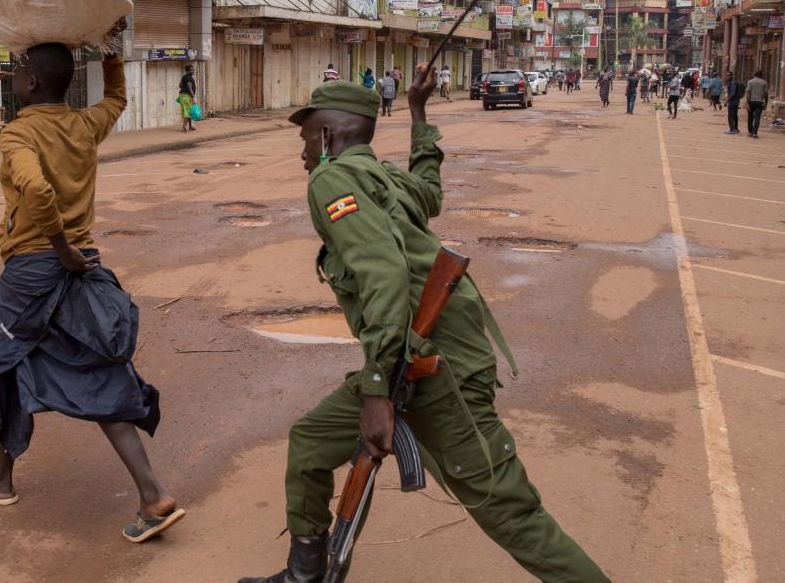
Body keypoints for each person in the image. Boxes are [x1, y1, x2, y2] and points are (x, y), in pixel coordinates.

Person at [238, 68, 609, 583]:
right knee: (310, 443)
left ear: (326, 135)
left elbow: (383, 273)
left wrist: (375, 392)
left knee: (508, 513)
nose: (300, 147)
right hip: (406, 359)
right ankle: (307, 575)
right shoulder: (381, 176)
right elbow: (430, 191)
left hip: (436, 370)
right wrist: (417, 113)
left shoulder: (331, 177)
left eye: (304, 133)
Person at [0, 38, 185, 543]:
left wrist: (58, 246)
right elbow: (117, 100)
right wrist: (111, 56)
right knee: (102, 369)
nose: (12, 78)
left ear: (32, 82)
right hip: (81, 265)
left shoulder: (17, 133)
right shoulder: (84, 124)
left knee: (3, 363)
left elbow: (36, 190)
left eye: (16, 71)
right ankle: (152, 495)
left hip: (36, 269)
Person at [745, 70, 769, 139]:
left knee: (750, 117)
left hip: (751, 101)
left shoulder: (750, 82)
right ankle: (755, 133)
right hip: (759, 102)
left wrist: (747, 103)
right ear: (761, 75)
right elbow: (766, 94)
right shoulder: (764, 83)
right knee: (757, 117)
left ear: (754, 75)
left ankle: (750, 132)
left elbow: (748, 93)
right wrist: (766, 103)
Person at [178, 64, 197, 133]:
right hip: (187, 96)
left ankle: (190, 126)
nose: (192, 71)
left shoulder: (184, 77)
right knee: (188, 112)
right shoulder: (189, 78)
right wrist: (193, 97)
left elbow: (180, 85)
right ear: (187, 71)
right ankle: (184, 127)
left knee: (189, 111)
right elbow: (189, 87)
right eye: (191, 70)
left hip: (182, 96)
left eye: (193, 70)